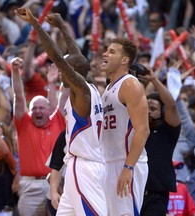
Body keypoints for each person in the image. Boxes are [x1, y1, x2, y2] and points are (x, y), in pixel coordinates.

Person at [15, 9, 107, 215]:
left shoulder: (81, 91)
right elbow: (78, 57)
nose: (60, 72)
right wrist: (62, 26)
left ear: (71, 71)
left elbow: (56, 56)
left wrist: (35, 23)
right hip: (78, 165)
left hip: (85, 168)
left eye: (65, 68)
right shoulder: (90, 85)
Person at [10, 29, 66, 216]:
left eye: (42, 108)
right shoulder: (23, 123)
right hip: (29, 186)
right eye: (34, 108)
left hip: (55, 184)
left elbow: (65, 96)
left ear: (49, 110)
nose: (38, 111)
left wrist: (63, 73)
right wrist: (15, 73)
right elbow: (19, 96)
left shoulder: (56, 120)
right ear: (30, 111)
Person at [100, 38, 150, 215]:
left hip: (127, 163)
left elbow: (143, 129)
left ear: (125, 60)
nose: (105, 54)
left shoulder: (130, 84)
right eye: (106, 50)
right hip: (109, 162)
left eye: (112, 51)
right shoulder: (107, 89)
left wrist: (128, 167)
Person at [140, 68, 181, 215]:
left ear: (162, 113)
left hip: (156, 193)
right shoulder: (136, 128)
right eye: (146, 108)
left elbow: (172, 106)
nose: (148, 111)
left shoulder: (168, 129)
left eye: (153, 108)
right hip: (133, 190)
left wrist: (154, 80)